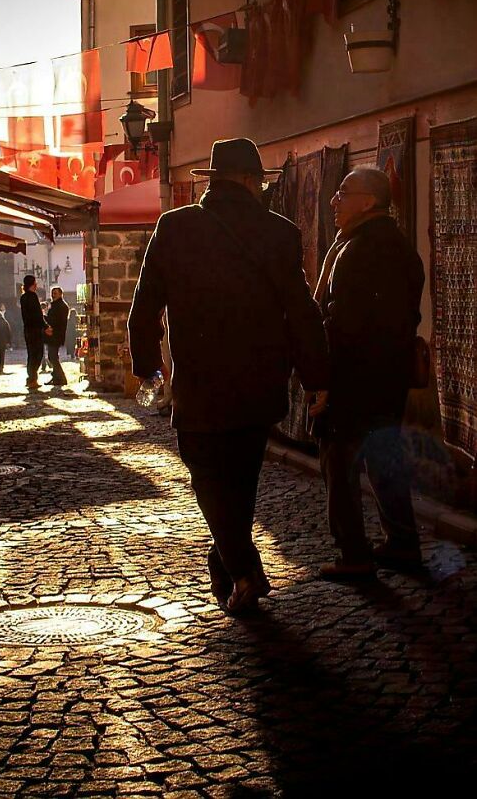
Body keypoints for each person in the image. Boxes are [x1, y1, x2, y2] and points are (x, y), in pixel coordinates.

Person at [128, 138, 329, 616]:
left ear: (215, 179)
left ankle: (241, 568)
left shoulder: (174, 228)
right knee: (241, 480)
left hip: (199, 381)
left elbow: (145, 306)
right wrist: (317, 375)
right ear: (250, 181)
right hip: (259, 381)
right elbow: (302, 312)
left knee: (208, 480)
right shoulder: (280, 233)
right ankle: (236, 567)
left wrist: (147, 368)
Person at [308, 167, 425, 578]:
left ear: (369, 202)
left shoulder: (355, 252)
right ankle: (402, 544)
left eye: (343, 193)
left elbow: (340, 325)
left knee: (339, 467)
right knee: (383, 461)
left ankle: (354, 556)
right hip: (388, 380)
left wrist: (323, 381)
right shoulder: (401, 248)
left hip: (352, 381)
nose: (333, 201)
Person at [20, 274, 47, 390]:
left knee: (32, 354)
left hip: (27, 329)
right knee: (38, 354)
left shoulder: (23, 297)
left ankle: (31, 378)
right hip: (35, 329)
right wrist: (45, 326)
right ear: (32, 284)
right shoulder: (32, 296)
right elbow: (38, 314)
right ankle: (32, 379)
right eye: (35, 283)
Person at [44, 286, 70, 386]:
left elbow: (57, 321)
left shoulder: (61, 306)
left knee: (52, 357)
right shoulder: (55, 305)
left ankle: (61, 378)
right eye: (52, 292)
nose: (53, 294)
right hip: (54, 334)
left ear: (60, 294)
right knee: (52, 356)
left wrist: (45, 318)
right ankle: (56, 377)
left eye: (55, 293)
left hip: (56, 334)